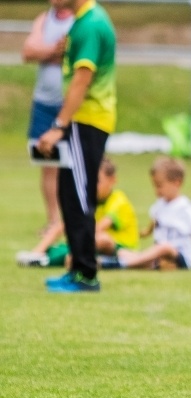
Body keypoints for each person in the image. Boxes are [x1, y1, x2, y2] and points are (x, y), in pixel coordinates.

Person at [36, 0, 116, 293]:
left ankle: (86, 275)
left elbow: (82, 80)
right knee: (68, 194)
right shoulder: (81, 22)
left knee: (80, 196)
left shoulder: (92, 23)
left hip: (88, 120)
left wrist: (59, 126)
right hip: (80, 121)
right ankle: (76, 269)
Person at [112, 156, 191, 270]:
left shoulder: (184, 207)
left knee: (164, 248)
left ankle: (122, 264)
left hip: (180, 255)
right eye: (154, 186)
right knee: (123, 251)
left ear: (177, 183)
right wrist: (145, 232)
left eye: (159, 186)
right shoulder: (159, 205)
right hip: (160, 252)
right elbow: (154, 222)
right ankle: (143, 263)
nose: (156, 191)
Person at [16, 157, 139, 268]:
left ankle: (56, 259)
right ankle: (38, 252)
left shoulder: (119, 200)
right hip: (92, 244)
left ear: (112, 180)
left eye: (97, 181)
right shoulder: (91, 199)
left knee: (100, 239)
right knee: (69, 220)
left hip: (119, 248)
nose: (91, 186)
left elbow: (99, 228)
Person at [22, 0, 74, 234]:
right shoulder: (44, 19)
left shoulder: (80, 21)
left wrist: (47, 52)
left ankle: (74, 217)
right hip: (44, 103)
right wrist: (54, 51)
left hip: (71, 104)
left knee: (75, 164)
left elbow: (75, 57)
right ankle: (54, 221)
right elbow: (28, 51)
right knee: (48, 164)